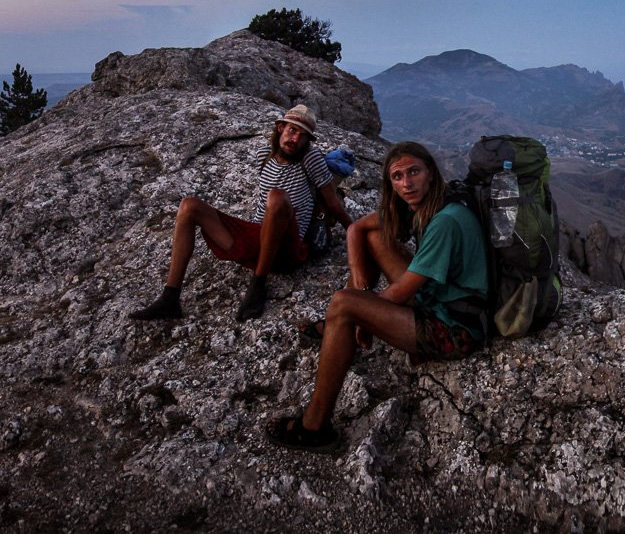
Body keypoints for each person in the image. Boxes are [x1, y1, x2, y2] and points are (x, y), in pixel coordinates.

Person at [265, 141, 489, 453]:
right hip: (438, 300)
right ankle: (339, 324)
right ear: (390, 183)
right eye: (397, 176)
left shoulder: (446, 221)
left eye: (414, 172)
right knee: (375, 239)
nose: (406, 183)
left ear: (431, 174)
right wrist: (361, 295)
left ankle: (313, 427)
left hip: (453, 328)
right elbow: (356, 229)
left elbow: (403, 290)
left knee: (342, 305)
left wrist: (361, 315)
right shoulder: (425, 203)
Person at [129, 104, 353, 321]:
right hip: (258, 238)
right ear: (280, 128)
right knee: (189, 206)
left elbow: (332, 203)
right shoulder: (263, 155)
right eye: (292, 130)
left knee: (276, 197)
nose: (295, 139)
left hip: (288, 249)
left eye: (302, 136)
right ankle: (170, 297)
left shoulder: (310, 158)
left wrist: (354, 233)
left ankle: (258, 283)